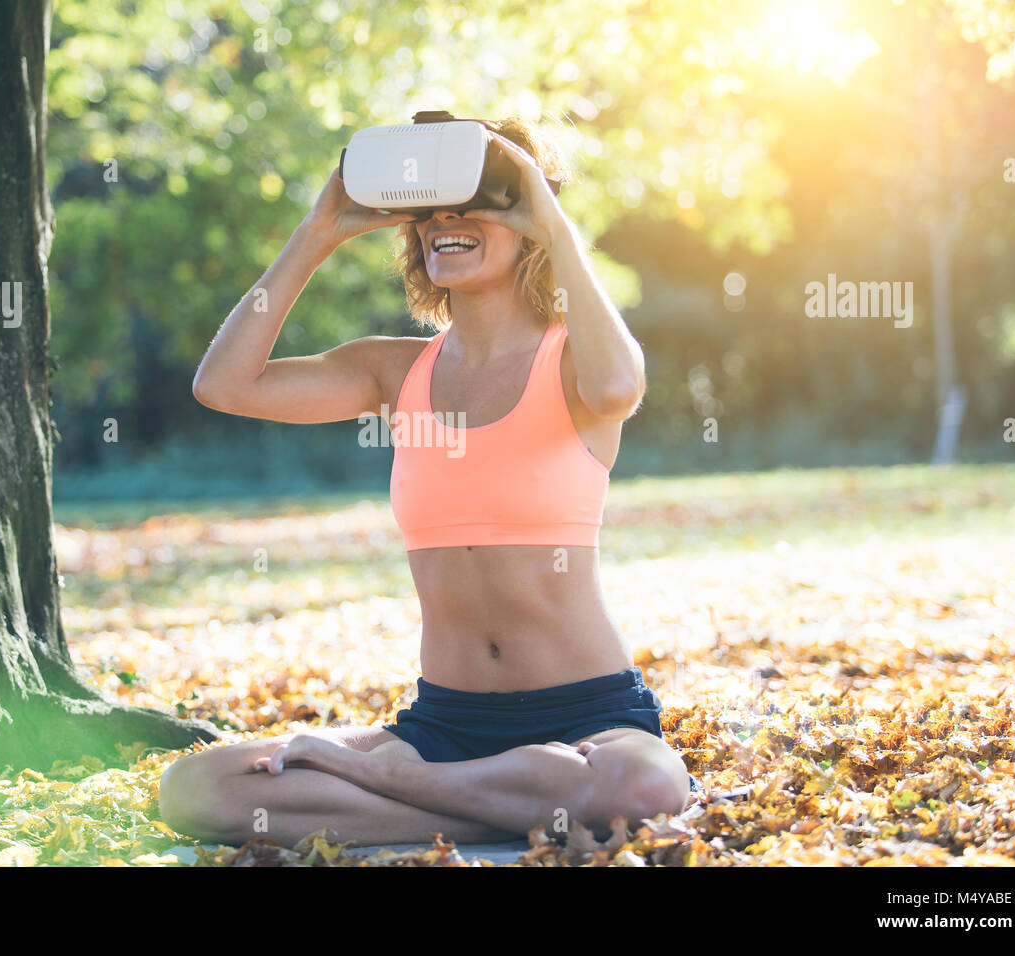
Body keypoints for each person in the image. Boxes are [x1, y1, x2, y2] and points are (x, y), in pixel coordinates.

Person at [160, 117, 698, 847]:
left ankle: (402, 789)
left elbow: (618, 383)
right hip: (445, 725)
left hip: (587, 717)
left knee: (644, 784)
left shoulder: (574, 363)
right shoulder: (393, 371)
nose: (446, 221)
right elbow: (224, 384)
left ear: (527, 219)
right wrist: (319, 231)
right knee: (197, 788)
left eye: (476, 202)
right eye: (431, 211)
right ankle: (494, 803)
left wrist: (549, 213)